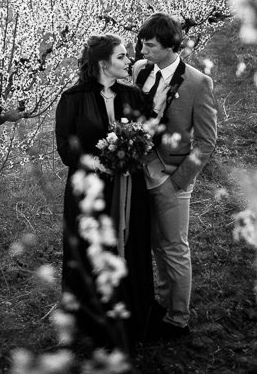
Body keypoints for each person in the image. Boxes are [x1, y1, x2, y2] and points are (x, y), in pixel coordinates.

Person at [54, 34, 156, 352]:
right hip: (89, 189)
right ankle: (92, 323)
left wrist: (134, 149)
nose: (129, 61)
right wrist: (99, 163)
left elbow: (150, 131)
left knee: (130, 246)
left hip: (129, 189)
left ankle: (132, 319)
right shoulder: (73, 98)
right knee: (91, 249)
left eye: (127, 55)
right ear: (103, 63)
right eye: (121, 56)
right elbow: (65, 148)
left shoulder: (133, 96)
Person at [132, 13, 218, 341]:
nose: (142, 50)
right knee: (156, 244)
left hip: (172, 177)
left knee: (175, 247)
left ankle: (179, 318)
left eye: (150, 45)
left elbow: (207, 142)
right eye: (142, 44)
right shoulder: (140, 71)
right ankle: (163, 305)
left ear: (171, 46)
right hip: (141, 173)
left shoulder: (198, 83)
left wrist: (178, 182)